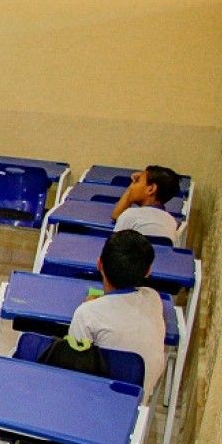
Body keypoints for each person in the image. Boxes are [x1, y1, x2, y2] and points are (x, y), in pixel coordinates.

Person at [68, 229, 167, 394]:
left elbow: (73, 366)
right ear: (148, 271)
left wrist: (93, 304)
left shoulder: (86, 314)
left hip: (96, 399)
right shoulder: (153, 298)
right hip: (138, 401)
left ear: (99, 264)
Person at [110, 166, 181, 242]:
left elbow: (113, 248)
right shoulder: (171, 221)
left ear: (151, 189)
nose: (132, 186)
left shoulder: (130, 215)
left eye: (137, 181)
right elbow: (116, 215)